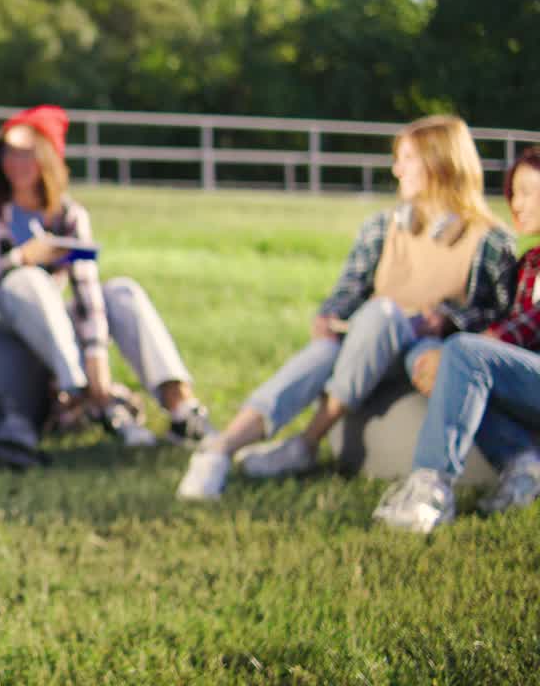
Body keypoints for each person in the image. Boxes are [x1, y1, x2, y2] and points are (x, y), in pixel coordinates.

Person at [178, 114, 517, 500]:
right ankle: (220, 450)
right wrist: (328, 315)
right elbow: (348, 292)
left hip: (426, 355)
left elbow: (501, 318)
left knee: (382, 315)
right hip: (369, 344)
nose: (396, 169)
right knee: (332, 345)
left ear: (440, 163)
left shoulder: (490, 241)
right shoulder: (381, 228)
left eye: (407, 159)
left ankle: (305, 441)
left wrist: (447, 321)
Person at [0, 105, 214, 447]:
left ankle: (181, 407)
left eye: (28, 153)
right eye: (10, 151)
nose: (16, 162)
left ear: (47, 158)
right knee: (31, 279)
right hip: (0, 320)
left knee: (121, 291)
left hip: (55, 327)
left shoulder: (68, 215)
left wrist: (97, 357)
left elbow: (86, 289)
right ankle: (88, 396)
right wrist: (23, 257)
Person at [373, 147, 540, 532]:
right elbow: (499, 317)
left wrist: (470, 348)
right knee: (441, 355)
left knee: (464, 354)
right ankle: (524, 465)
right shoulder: (530, 263)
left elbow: (527, 325)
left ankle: (430, 489)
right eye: (514, 192)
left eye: (529, 191)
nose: (517, 202)